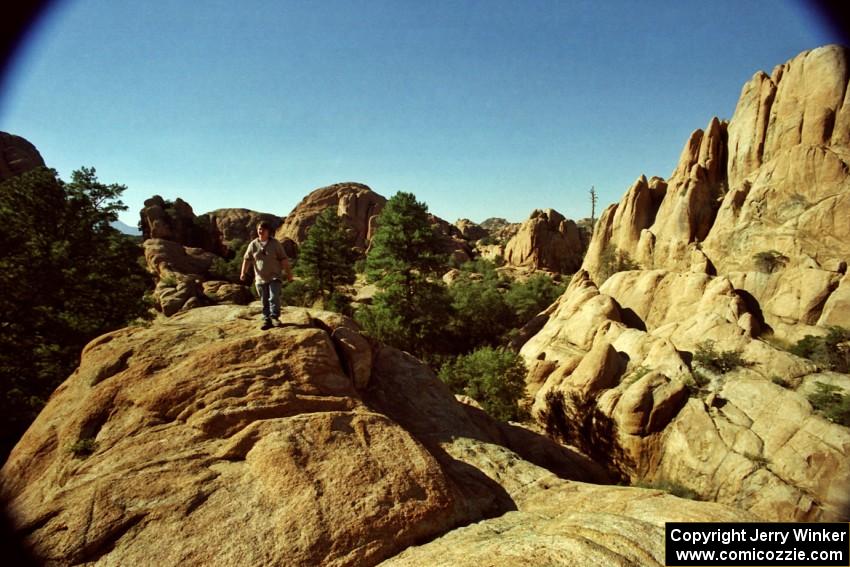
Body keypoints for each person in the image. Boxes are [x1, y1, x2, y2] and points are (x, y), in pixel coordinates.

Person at [240, 221, 293, 329]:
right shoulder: (253, 244)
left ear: (269, 232)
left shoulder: (275, 244)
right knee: (264, 300)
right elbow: (247, 259)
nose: (261, 231)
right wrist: (243, 273)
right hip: (260, 278)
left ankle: (274, 317)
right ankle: (266, 320)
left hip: (275, 276)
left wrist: (289, 274)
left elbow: (284, 259)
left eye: (263, 229)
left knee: (273, 297)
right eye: (259, 229)